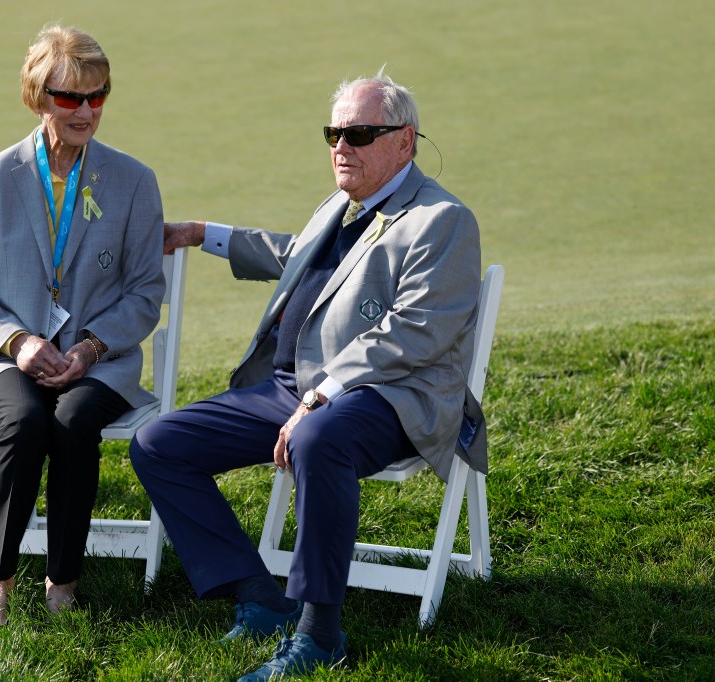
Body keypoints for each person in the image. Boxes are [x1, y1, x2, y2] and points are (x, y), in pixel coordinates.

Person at [130, 71, 487, 680]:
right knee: (159, 444)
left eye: (360, 133)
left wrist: (323, 392)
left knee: (317, 437)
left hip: (391, 397)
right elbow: (296, 255)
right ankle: (259, 596)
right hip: (292, 390)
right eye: (334, 132)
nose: (341, 146)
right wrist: (203, 234)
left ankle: (319, 633)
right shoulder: (342, 204)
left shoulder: (442, 220)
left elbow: (417, 331)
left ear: (406, 142)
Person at [0, 25, 165, 633]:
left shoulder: (134, 181)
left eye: (98, 96)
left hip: (102, 360)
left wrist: (93, 347)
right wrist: (19, 343)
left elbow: (146, 293)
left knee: (71, 424)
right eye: (71, 97)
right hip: (10, 362)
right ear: (37, 95)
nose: (86, 111)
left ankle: (62, 585)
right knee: (23, 422)